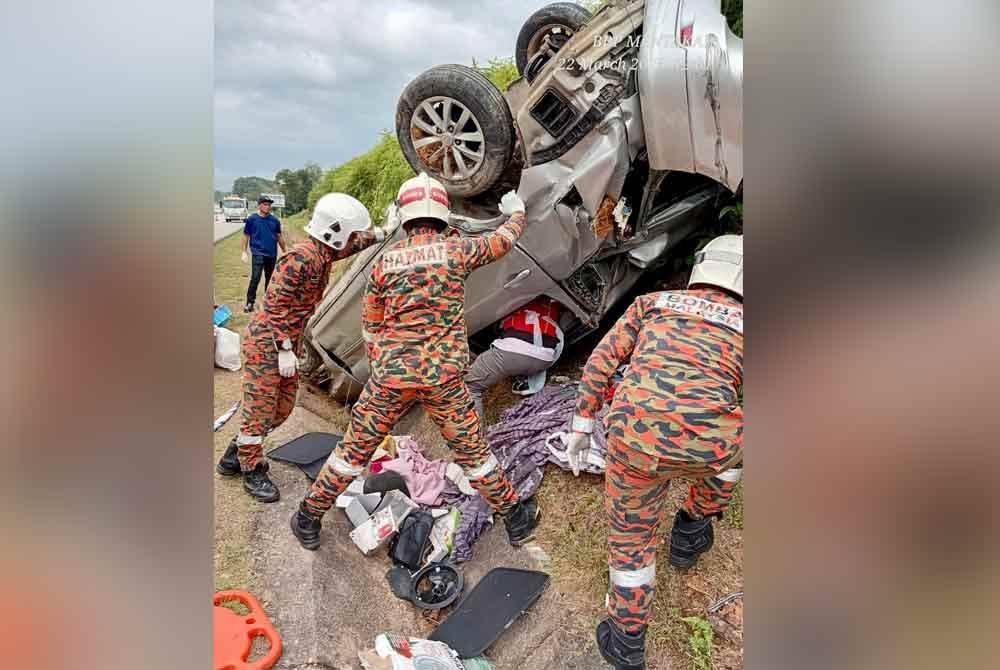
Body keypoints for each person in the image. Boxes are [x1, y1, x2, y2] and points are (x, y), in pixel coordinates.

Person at [290, 172, 541, 550]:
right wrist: (516, 212)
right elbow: (503, 241)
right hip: (445, 381)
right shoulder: (457, 251)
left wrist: (384, 369)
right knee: (475, 455)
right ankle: (516, 519)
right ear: (443, 214)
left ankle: (309, 517)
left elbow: (371, 326)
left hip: (390, 380)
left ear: (405, 218)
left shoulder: (385, 263)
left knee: (351, 453)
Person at [563, 234, 744, 670]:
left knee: (630, 543)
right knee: (738, 450)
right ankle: (693, 528)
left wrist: (583, 423)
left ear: (701, 267)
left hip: (633, 436)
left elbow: (601, 361)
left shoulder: (653, 303)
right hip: (709, 442)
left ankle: (626, 641)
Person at [217, 193, 392, 502]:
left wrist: (385, 231)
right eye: (352, 234)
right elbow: (274, 307)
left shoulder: (324, 252)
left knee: (283, 408)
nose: (354, 241)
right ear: (336, 232)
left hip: (287, 341)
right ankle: (251, 469)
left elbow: (353, 244)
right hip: (268, 341)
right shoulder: (300, 258)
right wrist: (284, 348)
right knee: (260, 409)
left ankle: (235, 453)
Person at [464, 297, 565, 420]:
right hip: (545, 358)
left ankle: (474, 430)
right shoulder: (554, 302)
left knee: (469, 387)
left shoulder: (511, 301)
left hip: (513, 352)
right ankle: (523, 379)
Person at [241, 195, 287, 312]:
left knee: (270, 279)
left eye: (269, 204)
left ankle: (268, 303)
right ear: (259, 205)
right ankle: (250, 303)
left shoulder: (275, 221)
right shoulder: (252, 219)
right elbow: (246, 235)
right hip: (258, 253)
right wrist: (244, 252)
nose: (267, 206)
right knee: (255, 278)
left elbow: (279, 236)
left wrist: (285, 251)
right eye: (265, 204)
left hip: (271, 254)